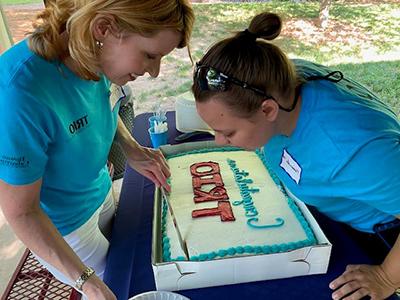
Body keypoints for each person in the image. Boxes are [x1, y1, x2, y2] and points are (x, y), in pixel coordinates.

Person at [192, 11, 400, 300]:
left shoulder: (354, 151)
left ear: (267, 110)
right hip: (331, 214)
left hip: (379, 232)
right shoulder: (281, 82)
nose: (219, 142)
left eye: (228, 132)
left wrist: (385, 276)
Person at [0, 0, 194, 299]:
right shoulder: (20, 92)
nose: (154, 72)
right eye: (149, 55)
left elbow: (101, 102)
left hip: (99, 188)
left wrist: (130, 147)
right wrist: (87, 282)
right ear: (104, 27)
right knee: (122, 288)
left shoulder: (93, 49)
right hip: (65, 225)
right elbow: (21, 212)